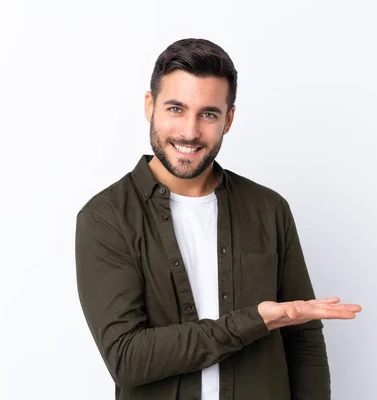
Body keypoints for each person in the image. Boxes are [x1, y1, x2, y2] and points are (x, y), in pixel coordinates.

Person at [75, 38, 362, 400]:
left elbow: (302, 339)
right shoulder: (106, 218)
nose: (190, 132)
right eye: (176, 109)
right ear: (150, 106)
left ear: (228, 119)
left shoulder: (268, 209)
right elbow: (128, 358)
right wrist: (255, 321)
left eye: (208, 113)